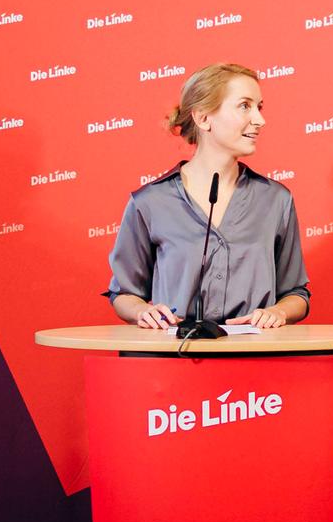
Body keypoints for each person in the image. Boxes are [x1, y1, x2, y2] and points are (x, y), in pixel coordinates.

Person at [104, 62, 311, 332]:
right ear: (203, 118)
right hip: (175, 361)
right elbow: (123, 293)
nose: (260, 120)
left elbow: (296, 293)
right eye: (244, 106)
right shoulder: (150, 202)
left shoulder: (276, 200)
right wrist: (143, 311)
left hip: (256, 358)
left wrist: (278, 312)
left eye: (259, 107)